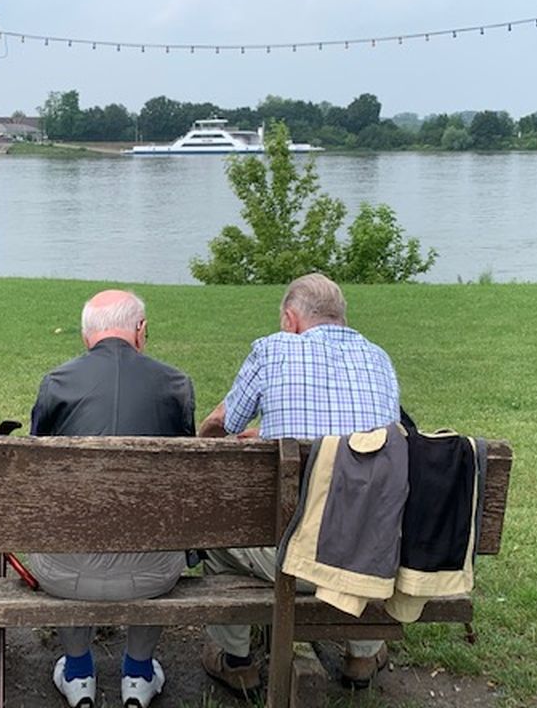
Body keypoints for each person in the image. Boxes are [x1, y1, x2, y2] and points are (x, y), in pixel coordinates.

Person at [197, 272, 400, 698]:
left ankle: (236, 660)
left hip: (291, 558)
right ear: (340, 317)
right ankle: (363, 654)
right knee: (364, 515)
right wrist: (271, 434)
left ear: (290, 319)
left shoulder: (272, 349)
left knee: (218, 533)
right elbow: (368, 444)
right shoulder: (379, 358)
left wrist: (209, 437)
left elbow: (224, 422)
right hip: (366, 552)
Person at [27, 289, 195, 708]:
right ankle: (138, 673)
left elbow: (36, 475)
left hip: (65, 573)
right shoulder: (176, 385)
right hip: (154, 571)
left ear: (87, 336)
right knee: (156, 524)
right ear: (141, 330)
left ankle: (78, 672)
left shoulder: (56, 383)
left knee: (63, 527)